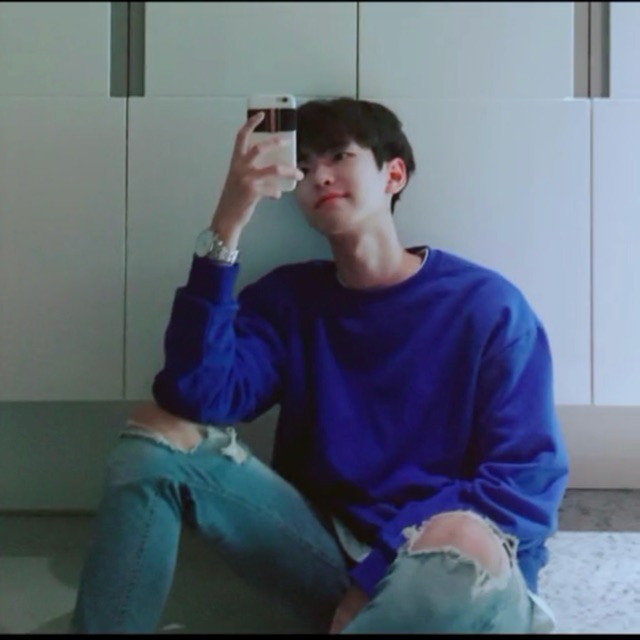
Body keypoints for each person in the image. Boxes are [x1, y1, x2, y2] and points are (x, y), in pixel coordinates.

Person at [71, 97, 569, 634]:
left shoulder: (488, 307)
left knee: (459, 537)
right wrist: (228, 220)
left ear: (393, 175)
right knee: (157, 433)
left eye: (338, 156)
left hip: (451, 572)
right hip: (328, 556)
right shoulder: (291, 299)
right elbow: (195, 395)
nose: (320, 176)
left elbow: (526, 478)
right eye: (304, 166)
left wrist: (375, 574)